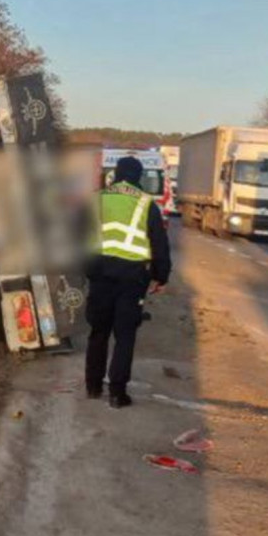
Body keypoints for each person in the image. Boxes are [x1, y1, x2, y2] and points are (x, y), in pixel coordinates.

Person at [85, 155, 172, 408]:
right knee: (124, 336)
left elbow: (77, 234)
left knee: (98, 332)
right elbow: (159, 244)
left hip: (100, 274)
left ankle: (92, 386)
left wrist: (86, 267)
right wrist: (160, 276)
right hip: (132, 278)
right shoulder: (147, 205)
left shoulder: (96, 199)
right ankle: (117, 393)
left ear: (115, 175)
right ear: (138, 177)